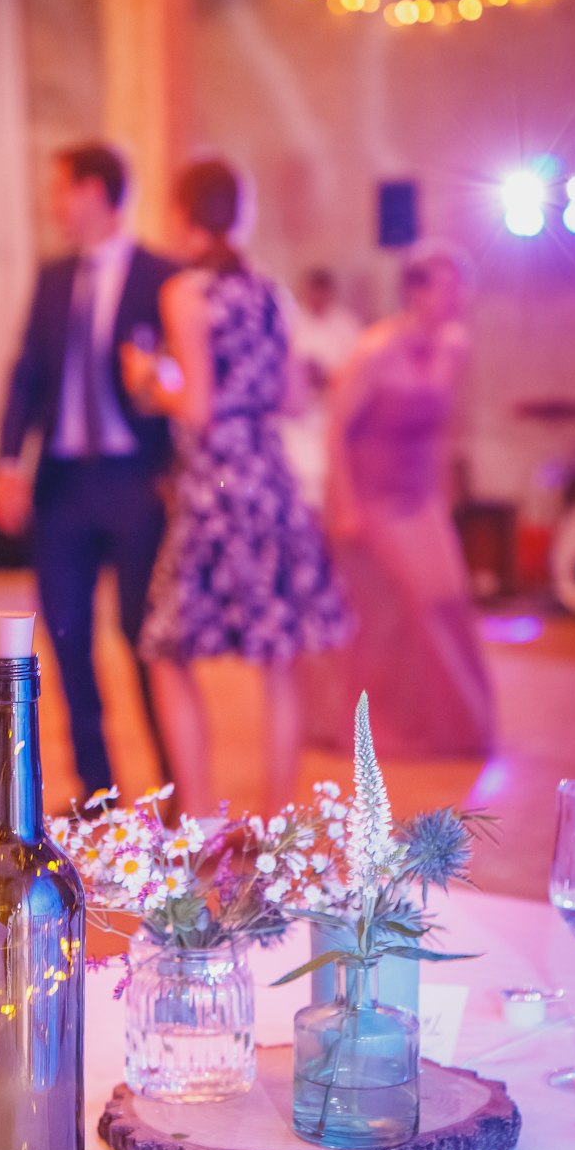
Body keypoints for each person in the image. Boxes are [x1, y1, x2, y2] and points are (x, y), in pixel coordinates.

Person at [121, 159, 352, 817]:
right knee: (278, 657)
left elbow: (195, 405)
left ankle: (195, 817)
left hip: (216, 481)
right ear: (239, 215)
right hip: (268, 476)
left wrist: (144, 376)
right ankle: (276, 825)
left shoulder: (186, 293)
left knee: (165, 646)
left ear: (183, 217)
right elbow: (288, 398)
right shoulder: (271, 292)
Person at [0, 143, 175, 798]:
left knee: (144, 636)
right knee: (67, 640)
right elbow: (26, 375)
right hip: (63, 483)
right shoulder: (52, 276)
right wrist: (7, 462)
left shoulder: (161, 275)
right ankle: (97, 792)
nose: (54, 205)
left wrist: (161, 382)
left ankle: (173, 786)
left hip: (135, 479)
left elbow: (183, 374)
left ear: (96, 192)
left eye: (60, 190)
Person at [307, 239, 494, 758]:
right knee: (396, 610)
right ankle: (381, 725)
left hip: (419, 496)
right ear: (415, 292)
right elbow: (336, 431)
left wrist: (443, 494)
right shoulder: (375, 349)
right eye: (446, 285)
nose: (457, 295)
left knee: (449, 599)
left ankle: (448, 726)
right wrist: (344, 506)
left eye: (462, 284)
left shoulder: (455, 344)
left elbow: (440, 429)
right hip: (371, 493)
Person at [282, 267, 363, 506]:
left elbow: (356, 372)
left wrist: (327, 376)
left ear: (329, 293)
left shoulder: (347, 326)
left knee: (327, 478)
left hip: (331, 414)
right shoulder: (292, 322)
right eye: (312, 292)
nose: (317, 298)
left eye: (322, 292)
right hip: (298, 418)